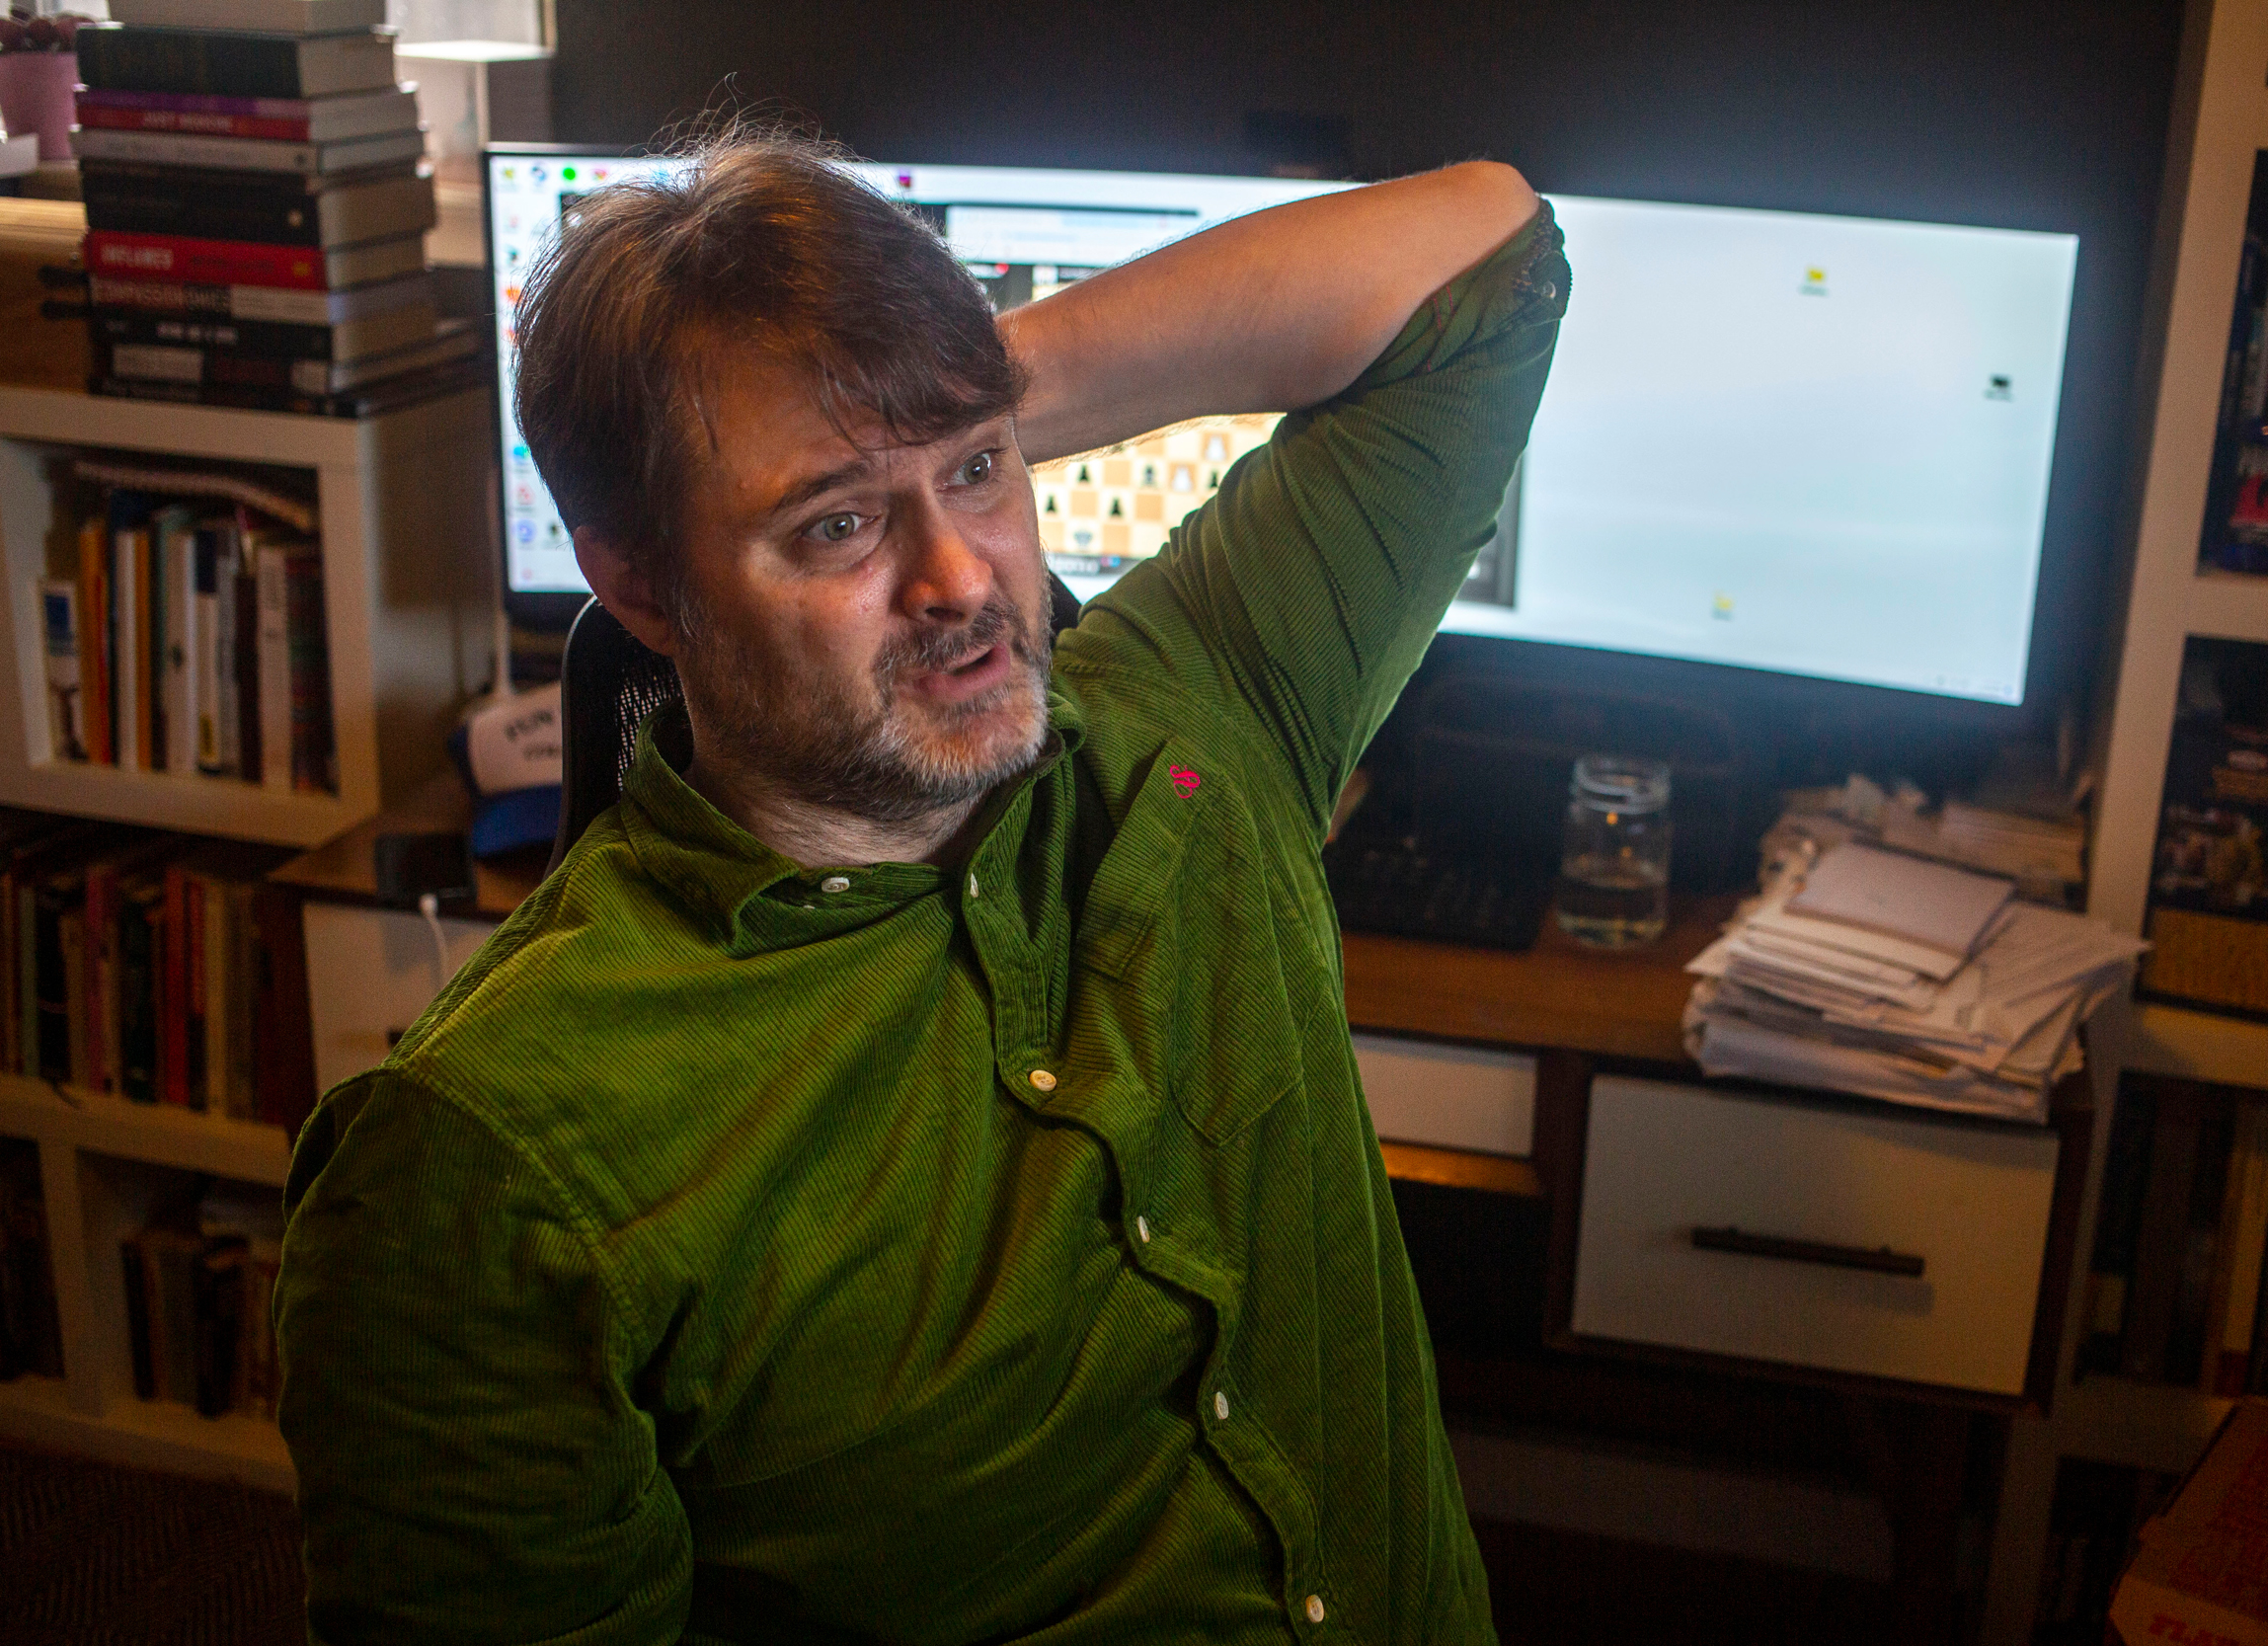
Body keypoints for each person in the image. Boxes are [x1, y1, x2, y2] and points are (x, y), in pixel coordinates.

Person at [276, 127, 1565, 1644]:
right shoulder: (484, 1166)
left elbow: (1490, 254)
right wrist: (917, 414)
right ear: (636, 586)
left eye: (980, 472)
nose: (961, 579)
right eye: (836, 521)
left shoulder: (1201, 703)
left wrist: (930, 381)